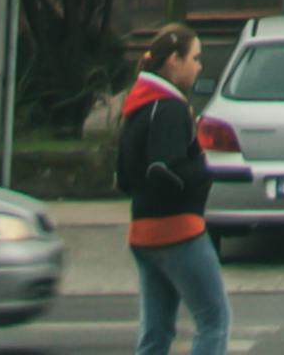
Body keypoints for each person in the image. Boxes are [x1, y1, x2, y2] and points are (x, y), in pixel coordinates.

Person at [116, 22, 231, 355]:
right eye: (194, 58)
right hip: (179, 232)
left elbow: (124, 177)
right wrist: (202, 171)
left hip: (143, 233)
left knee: (156, 331)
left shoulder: (137, 108)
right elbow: (168, 169)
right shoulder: (170, 109)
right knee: (214, 320)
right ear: (174, 61)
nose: (199, 66)